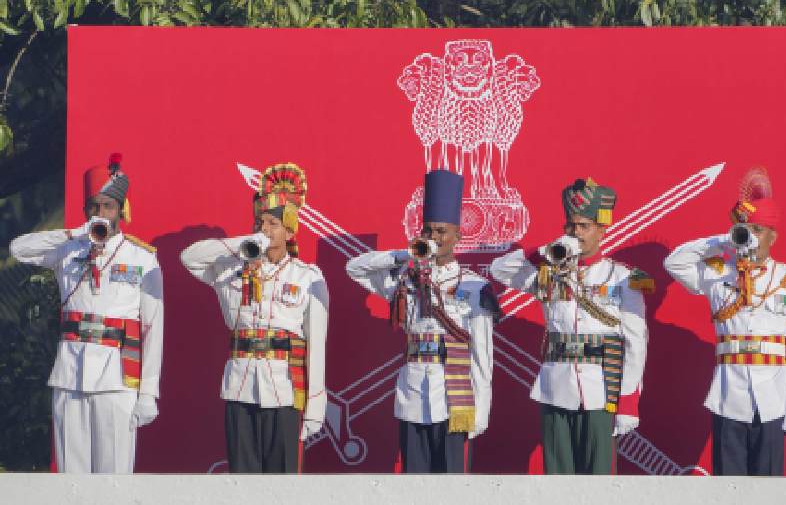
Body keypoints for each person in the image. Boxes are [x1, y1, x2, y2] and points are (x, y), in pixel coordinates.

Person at [10, 153, 164, 473]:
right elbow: (19, 248)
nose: (101, 213)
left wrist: (148, 392)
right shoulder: (67, 251)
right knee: (72, 474)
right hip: (71, 371)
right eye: (94, 206)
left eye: (108, 206)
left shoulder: (142, 259)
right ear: (85, 211)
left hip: (118, 376)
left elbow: (153, 329)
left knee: (114, 475)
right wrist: (72, 234)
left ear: (121, 210)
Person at [663, 167, 786, 476]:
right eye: (745, 228)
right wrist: (724, 240)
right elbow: (674, 262)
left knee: (768, 491)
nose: (752, 236)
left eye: (758, 230)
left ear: (773, 236)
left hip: (774, 397)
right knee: (728, 490)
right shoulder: (718, 272)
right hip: (728, 397)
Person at [489, 177, 652, 474]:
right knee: (558, 477)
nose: (576, 233)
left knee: (598, 476)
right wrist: (546, 251)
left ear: (602, 229)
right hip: (555, 386)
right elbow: (499, 270)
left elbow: (636, 343)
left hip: (601, 389)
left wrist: (628, 401)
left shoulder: (623, 278)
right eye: (570, 226)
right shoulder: (548, 274)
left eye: (584, 226)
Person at [346, 170, 498, 473]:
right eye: (428, 231)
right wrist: (405, 255)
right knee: (415, 483)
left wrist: (480, 412)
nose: (434, 238)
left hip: (454, 398)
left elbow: (483, 356)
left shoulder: (473, 286)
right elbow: (355, 268)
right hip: (413, 394)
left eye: (441, 231)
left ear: (458, 235)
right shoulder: (407, 280)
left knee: (450, 484)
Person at [180, 162, 327, 473]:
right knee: (242, 479)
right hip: (240, 384)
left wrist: (315, 406)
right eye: (260, 222)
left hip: (283, 387)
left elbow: (317, 344)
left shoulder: (307, 276)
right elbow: (189, 257)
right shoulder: (232, 269)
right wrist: (244, 245)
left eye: (273, 223)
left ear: (290, 230)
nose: (265, 229)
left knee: (281, 479)